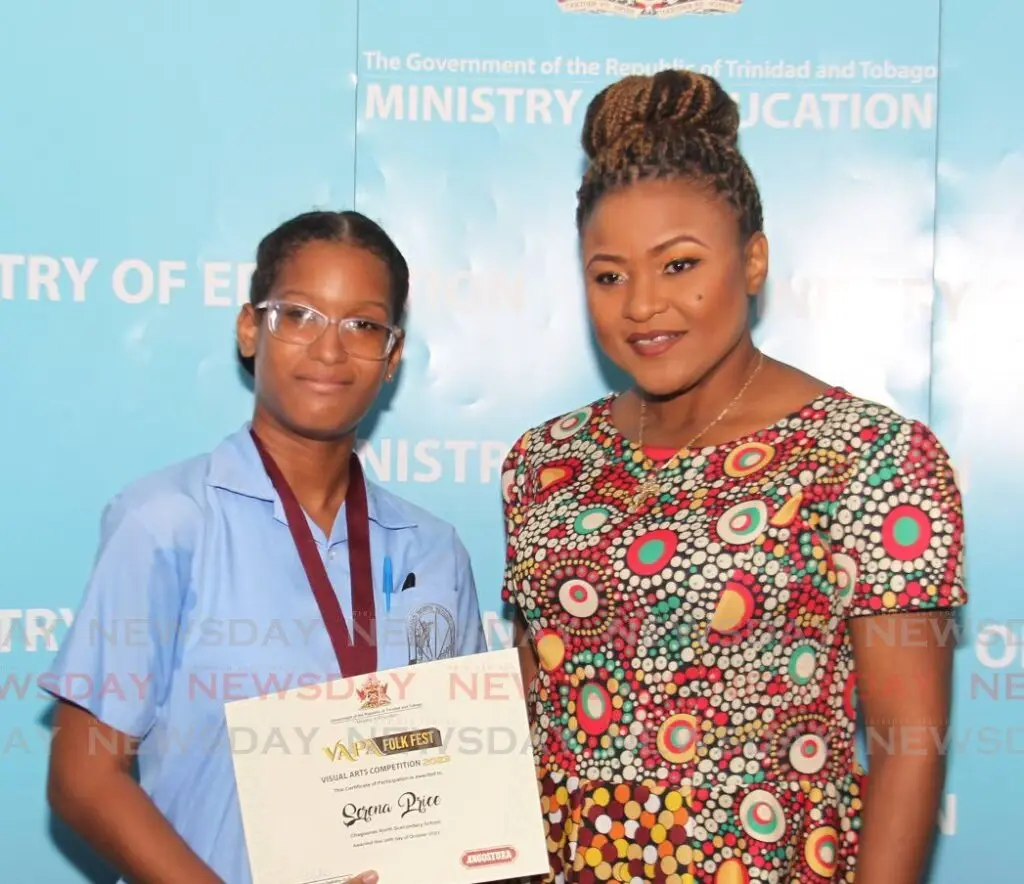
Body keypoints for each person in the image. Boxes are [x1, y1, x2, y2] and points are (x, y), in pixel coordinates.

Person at [501, 70, 966, 884]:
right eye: (608, 275)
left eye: (679, 265)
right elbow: (530, 715)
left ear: (754, 262)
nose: (642, 304)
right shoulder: (543, 464)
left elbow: (909, 746)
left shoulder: (871, 457)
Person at [43, 210, 488, 884]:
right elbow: (83, 776)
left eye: (363, 325)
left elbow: (464, 776)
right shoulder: (167, 523)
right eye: (300, 315)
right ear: (251, 330)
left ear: (392, 356)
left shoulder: (433, 550)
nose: (330, 350)